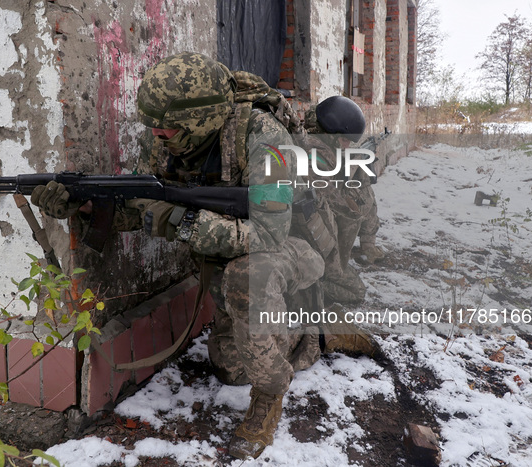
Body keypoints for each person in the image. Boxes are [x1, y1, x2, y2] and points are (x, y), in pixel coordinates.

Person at [31, 53, 373, 459]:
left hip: (293, 244)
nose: (157, 132)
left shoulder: (267, 139)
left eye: (169, 126)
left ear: (202, 119)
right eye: (154, 123)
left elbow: (267, 233)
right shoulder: (163, 139)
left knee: (248, 278)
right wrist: (84, 205)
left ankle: (269, 395)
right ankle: (319, 335)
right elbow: (144, 207)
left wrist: (180, 222)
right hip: (236, 249)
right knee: (230, 367)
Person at [303, 96, 384, 306]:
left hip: (316, 239)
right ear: (332, 133)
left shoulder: (317, 140)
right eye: (345, 140)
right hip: (311, 242)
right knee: (356, 292)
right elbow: (343, 208)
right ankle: (304, 290)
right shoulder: (315, 154)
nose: (347, 145)